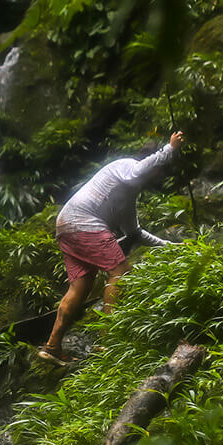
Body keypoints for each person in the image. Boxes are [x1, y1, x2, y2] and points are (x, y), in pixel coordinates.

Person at [38, 131, 184, 365]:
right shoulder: (127, 166)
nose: (158, 176)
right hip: (83, 222)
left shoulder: (128, 191)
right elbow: (140, 170)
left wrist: (170, 246)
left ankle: (52, 346)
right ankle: (108, 339)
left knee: (80, 287)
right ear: (152, 164)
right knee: (121, 271)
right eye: (158, 171)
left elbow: (134, 233)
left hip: (67, 224)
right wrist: (170, 149)